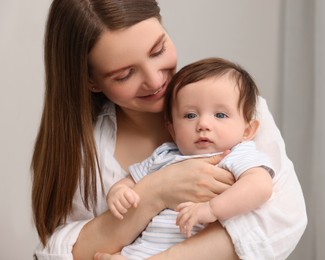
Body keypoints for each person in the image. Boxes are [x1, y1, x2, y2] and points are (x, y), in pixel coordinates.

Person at [31, 0, 307, 259]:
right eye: (125, 74)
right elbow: (59, 251)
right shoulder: (89, 152)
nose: (154, 81)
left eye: (158, 50)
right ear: (92, 81)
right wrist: (155, 192)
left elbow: (284, 218)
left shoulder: (236, 111)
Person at [100, 57, 275, 259]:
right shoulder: (165, 154)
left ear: (247, 130)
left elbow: (260, 186)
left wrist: (211, 209)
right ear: (172, 130)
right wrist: (119, 190)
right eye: (190, 116)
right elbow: (133, 180)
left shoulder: (235, 154)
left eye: (220, 115)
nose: (203, 124)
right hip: (141, 251)